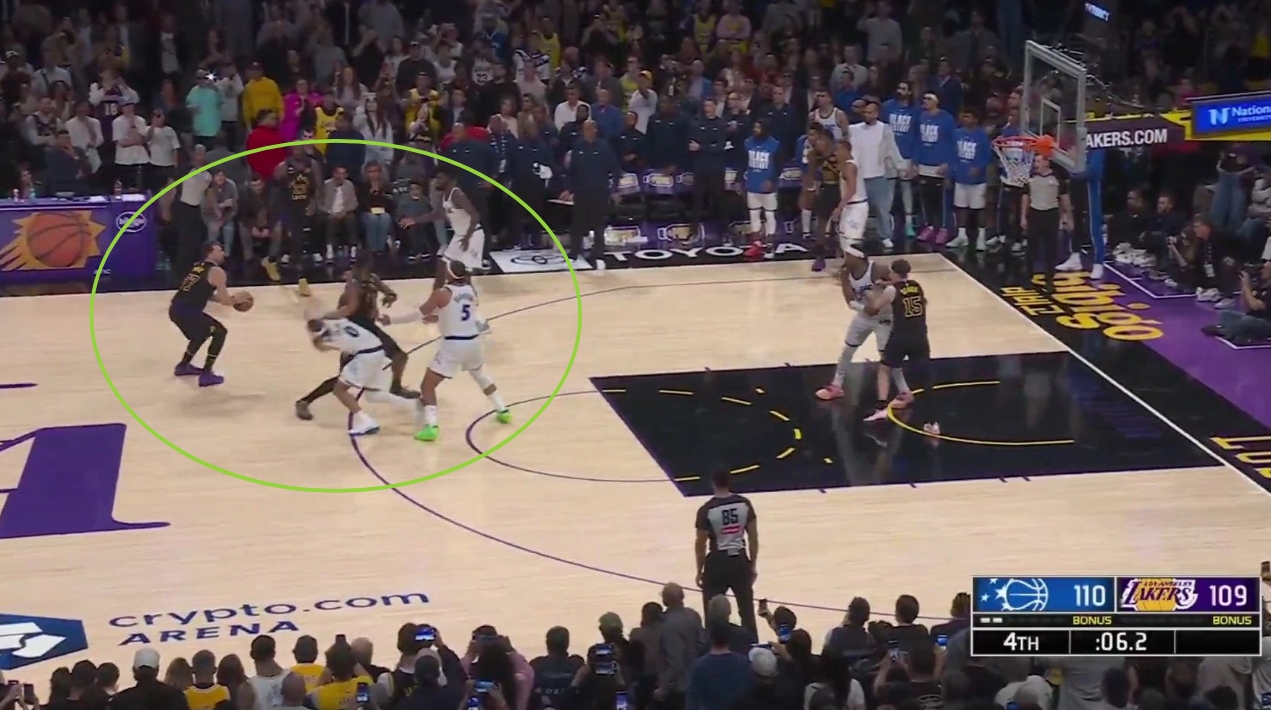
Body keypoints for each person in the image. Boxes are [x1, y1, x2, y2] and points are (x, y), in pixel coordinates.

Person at [378, 261, 510, 442]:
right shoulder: (470, 291)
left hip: (454, 345)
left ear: (449, 274)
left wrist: (391, 321)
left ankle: (431, 427)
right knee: (480, 376)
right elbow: (460, 314)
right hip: (473, 342)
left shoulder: (442, 293)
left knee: (427, 386)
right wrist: (438, 317)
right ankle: (503, 409)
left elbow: (418, 314)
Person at [295, 253, 413, 420]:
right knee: (342, 379)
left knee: (400, 356)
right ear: (358, 267)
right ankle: (304, 401)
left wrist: (389, 298)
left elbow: (390, 293)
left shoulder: (372, 279)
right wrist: (324, 317)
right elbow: (346, 310)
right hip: (355, 332)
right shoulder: (352, 285)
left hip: (370, 330)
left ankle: (396, 387)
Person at [305, 311, 420, 436]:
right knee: (373, 395)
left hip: (365, 357)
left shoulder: (328, 338)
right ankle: (415, 405)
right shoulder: (340, 320)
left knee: (339, 390)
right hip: (378, 351)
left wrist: (315, 339)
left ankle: (365, 421)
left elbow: (321, 347)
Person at [864, 259, 934, 433]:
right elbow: (921, 301)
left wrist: (867, 294)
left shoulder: (891, 290)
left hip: (901, 336)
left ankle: (881, 408)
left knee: (884, 368)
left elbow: (874, 309)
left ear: (894, 272)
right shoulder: (917, 286)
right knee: (924, 378)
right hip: (920, 336)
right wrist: (888, 285)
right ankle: (932, 423)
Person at [169, 243, 252, 388]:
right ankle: (206, 374)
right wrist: (237, 299)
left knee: (201, 334)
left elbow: (202, 292)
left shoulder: (198, 267)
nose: (223, 253)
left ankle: (183, 366)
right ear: (210, 253)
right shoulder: (217, 271)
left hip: (176, 309)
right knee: (220, 332)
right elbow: (226, 302)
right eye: (219, 250)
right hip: (188, 312)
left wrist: (227, 298)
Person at [815, 246, 891, 401]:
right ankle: (836, 386)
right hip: (864, 316)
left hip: (885, 318)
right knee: (847, 351)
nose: (845, 258)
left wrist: (884, 294)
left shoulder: (878, 269)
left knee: (887, 357)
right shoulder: (845, 274)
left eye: (848, 255)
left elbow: (898, 285)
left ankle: (902, 390)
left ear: (858, 257)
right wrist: (865, 309)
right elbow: (850, 301)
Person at [695, 470, 759, 634]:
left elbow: (700, 544)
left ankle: (713, 644)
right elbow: (753, 538)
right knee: (747, 612)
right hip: (739, 559)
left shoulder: (707, 509)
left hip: (717, 561)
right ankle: (751, 644)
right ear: (730, 481)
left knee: (712, 612)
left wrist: (699, 570)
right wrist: (752, 565)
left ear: (713, 483)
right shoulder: (744, 504)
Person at [1021, 137, 1070, 293]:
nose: (1036, 164)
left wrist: (1068, 217)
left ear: (1046, 162)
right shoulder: (1030, 177)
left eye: (1039, 161)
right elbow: (1026, 197)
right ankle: (1027, 278)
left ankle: (1049, 280)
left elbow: (1064, 198)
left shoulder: (1057, 177)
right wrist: (1023, 216)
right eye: (1035, 161)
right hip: (1035, 214)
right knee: (1031, 249)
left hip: (1051, 215)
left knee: (1051, 250)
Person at [742, 119, 781, 260]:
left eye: (758, 127)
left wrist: (771, 180)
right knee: (754, 215)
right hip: (752, 185)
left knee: (769, 215)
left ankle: (770, 244)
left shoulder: (774, 144)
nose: (755, 129)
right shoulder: (747, 143)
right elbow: (743, 163)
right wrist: (739, 180)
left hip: (768, 187)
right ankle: (756, 245)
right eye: (755, 126)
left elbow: (779, 165)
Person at [831, 138, 870, 251]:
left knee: (852, 242)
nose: (835, 153)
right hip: (849, 206)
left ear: (846, 150)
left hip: (856, 207)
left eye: (837, 150)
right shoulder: (847, 165)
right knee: (844, 239)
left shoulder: (849, 167)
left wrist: (839, 208)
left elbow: (852, 189)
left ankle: (856, 262)